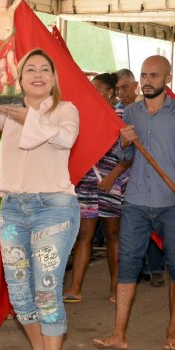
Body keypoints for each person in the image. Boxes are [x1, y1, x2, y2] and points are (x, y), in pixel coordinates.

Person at [94, 55, 175, 350]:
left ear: (167, 79)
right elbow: (126, 159)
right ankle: (119, 333)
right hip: (134, 202)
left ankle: (172, 330)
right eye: (144, 75)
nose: (148, 80)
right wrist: (123, 144)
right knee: (128, 263)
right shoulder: (130, 112)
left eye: (154, 76)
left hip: (172, 203)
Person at [0, 48, 80, 350]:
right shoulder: (9, 108)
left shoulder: (65, 109)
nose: (38, 74)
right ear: (20, 78)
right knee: (20, 294)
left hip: (54, 212)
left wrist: (28, 117)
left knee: (47, 291)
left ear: (53, 78)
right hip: (12, 211)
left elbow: (66, 139)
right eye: (29, 69)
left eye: (44, 69)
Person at [63, 73, 129, 303]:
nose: (92, 93)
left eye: (97, 89)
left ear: (110, 92)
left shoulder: (123, 115)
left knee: (113, 234)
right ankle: (75, 288)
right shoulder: (82, 115)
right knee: (84, 235)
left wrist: (113, 176)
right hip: (87, 182)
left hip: (113, 181)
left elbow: (131, 154)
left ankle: (115, 287)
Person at [0, 0, 23, 97]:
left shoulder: (10, 11)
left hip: (8, 40)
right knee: (1, 66)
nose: (3, 1)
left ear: (8, 2)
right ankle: (4, 88)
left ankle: (17, 84)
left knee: (10, 62)